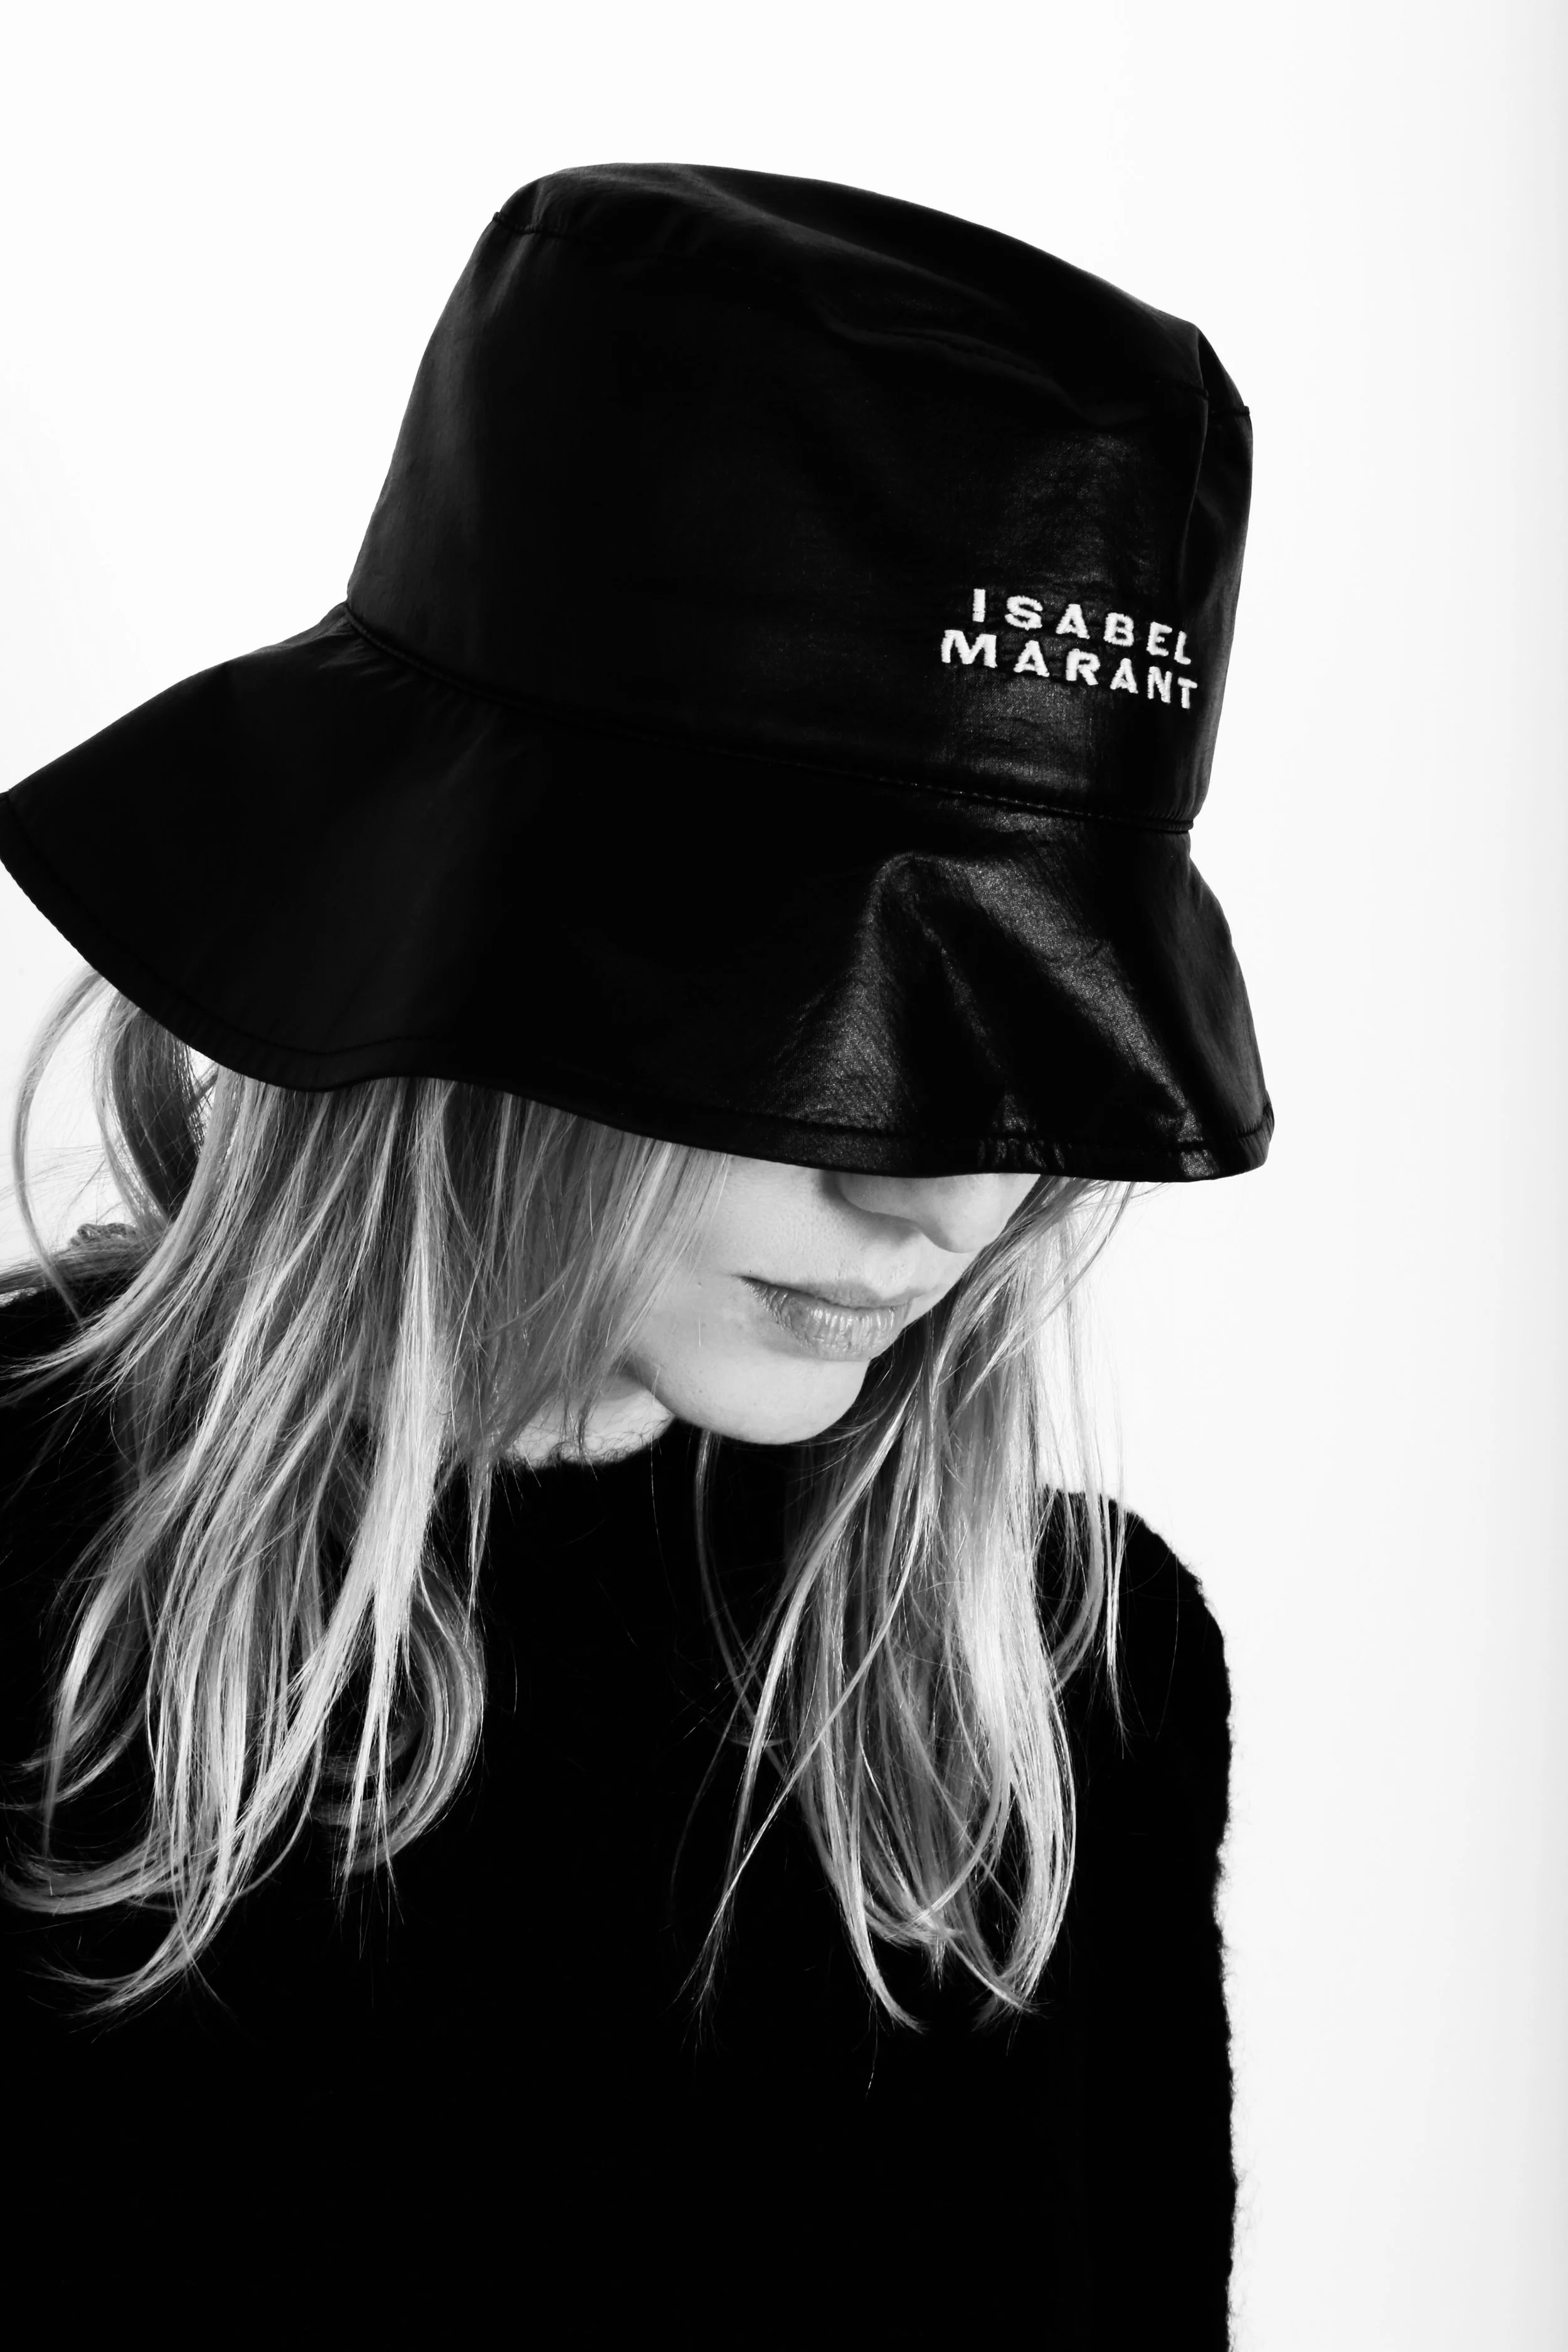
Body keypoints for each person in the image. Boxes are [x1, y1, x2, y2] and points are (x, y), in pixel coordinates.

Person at [0, 164, 1269, 2335]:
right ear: (473, 907)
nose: (945, 1201)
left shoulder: (1061, 1693)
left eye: (1032, 1043)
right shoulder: (39, 1604)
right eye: (826, 1032)